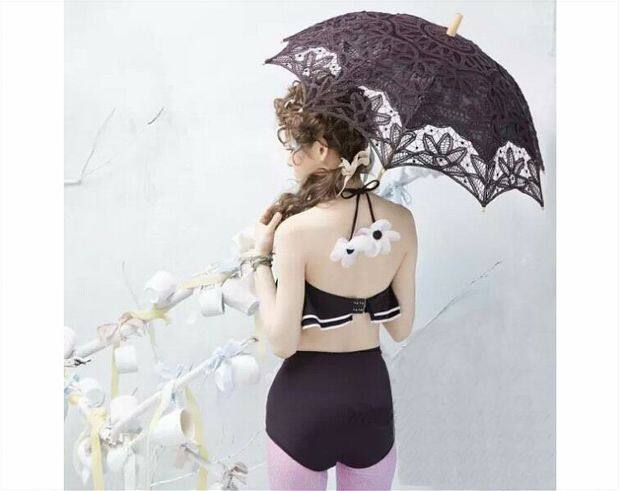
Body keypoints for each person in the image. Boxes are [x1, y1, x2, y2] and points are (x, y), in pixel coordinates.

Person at [249, 80, 418, 490]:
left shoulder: (295, 231)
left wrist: (259, 260)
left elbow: (282, 342)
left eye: (296, 145)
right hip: (370, 402)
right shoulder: (401, 222)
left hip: (304, 407)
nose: (291, 157)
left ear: (323, 149)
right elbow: (400, 328)